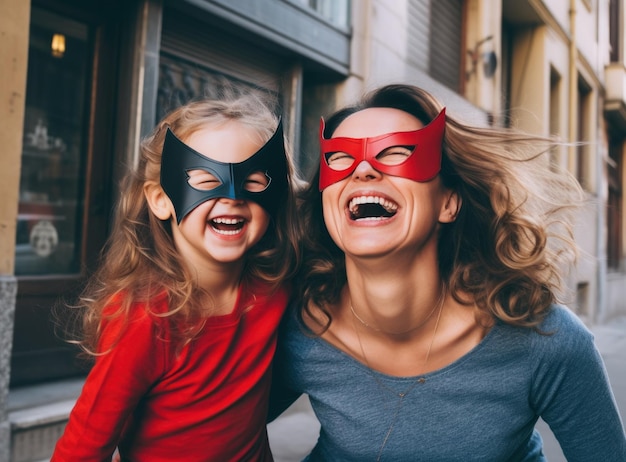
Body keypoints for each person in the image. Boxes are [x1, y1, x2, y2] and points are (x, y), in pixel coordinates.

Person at [269, 83, 626, 461]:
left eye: (396, 152)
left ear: (449, 203)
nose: (363, 169)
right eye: (339, 159)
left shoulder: (546, 340)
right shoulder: (297, 328)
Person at [51, 89, 300, 461]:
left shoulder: (274, 286)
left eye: (254, 180)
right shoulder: (144, 317)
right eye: (204, 178)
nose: (232, 196)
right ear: (161, 199)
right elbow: (85, 443)